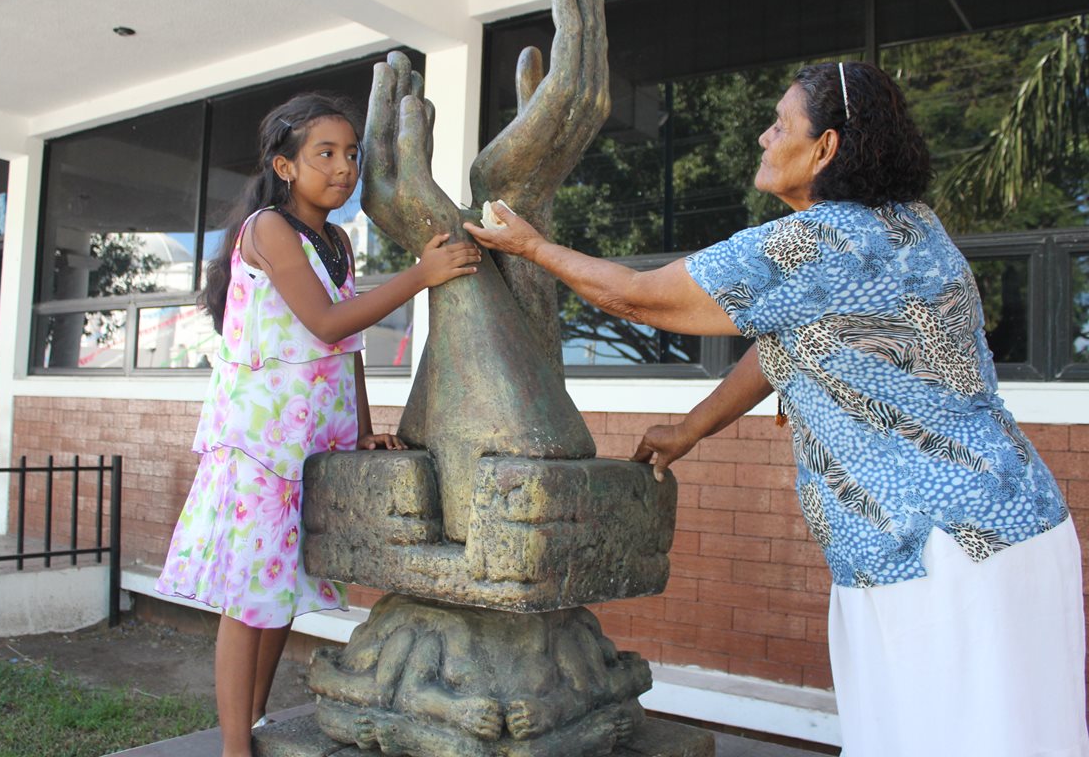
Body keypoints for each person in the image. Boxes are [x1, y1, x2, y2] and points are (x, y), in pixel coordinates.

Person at [465, 62, 1088, 756]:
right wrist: (691, 429)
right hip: (1014, 525)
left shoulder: (813, 243)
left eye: (780, 124)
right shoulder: (909, 223)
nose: (763, 137)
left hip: (938, 550)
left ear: (824, 150)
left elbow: (640, 297)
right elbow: (786, 344)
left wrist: (530, 245)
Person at [156, 92, 479, 757]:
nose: (343, 167)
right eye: (324, 154)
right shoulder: (270, 230)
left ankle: (254, 724)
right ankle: (232, 747)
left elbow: (346, 348)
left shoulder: (334, 241)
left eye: (351, 154)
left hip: (315, 442)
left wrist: (363, 428)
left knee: (280, 594)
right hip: (263, 445)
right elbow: (326, 322)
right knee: (249, 600)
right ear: (284, 166)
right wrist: (423, 273)